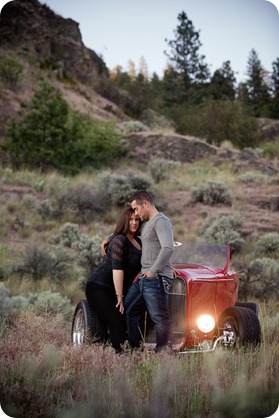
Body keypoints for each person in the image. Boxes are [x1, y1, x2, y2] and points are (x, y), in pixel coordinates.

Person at [124, 190, 174, 353]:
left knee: (160, 318)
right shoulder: (147, 224)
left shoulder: (161, 221)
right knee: (129, 308)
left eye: (137, 209)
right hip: (145, 279)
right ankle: (135, 351)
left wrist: (153, 272)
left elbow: (168, 248)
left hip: (156, 278)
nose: (136, 214)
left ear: (145, 204)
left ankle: (163, 355)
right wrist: (110, 237)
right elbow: (130, 235)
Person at [85, 207, 141, 353]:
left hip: (118, 288)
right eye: (130, 220)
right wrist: (119, 296)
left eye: (137, 219)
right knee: (117, 321)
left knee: (128, 318)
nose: (134, 223)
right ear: (124, 221)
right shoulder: (119, 240)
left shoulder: (139, 241)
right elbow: (117, 269)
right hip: (100, 287)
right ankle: (119, 358)